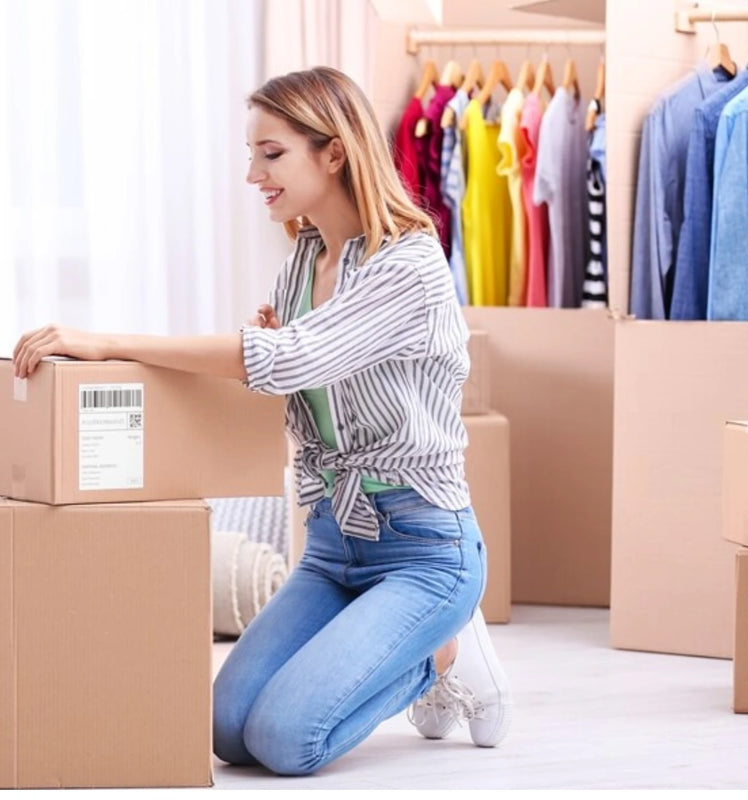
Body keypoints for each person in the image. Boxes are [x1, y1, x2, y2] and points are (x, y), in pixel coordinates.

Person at [12, 66, 511, 776]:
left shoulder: (411, 263)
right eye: (252, 154)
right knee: (227, 729)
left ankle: (441, 653)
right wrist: (274, 354)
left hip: (424, 550)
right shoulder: (307, 257)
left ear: (333, 153)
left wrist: (106, 340)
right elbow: (289, 373)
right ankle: (401, 645)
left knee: (286, 742)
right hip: (334, 546)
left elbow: (288, 358)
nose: (253, 175)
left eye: (270, 154)